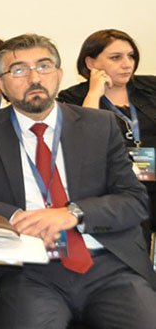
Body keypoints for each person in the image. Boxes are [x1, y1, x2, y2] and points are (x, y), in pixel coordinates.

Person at [0, 34, 156, 328]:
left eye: (44, 66)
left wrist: (72, 214)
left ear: (59, 75)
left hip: (107, 264)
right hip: (27, 269)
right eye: (19, 70)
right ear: (1, 84)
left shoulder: (99, 125)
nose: (34, 78)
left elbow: (134, 200)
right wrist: (16, 217)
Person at [58, 29, 156, 232]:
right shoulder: (74, 97)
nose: (127, 64)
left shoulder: (151, 87)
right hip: (115, 191)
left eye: (131, 56)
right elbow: (84, 140)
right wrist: (94, 93)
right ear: (91, 63)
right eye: (116, 57)